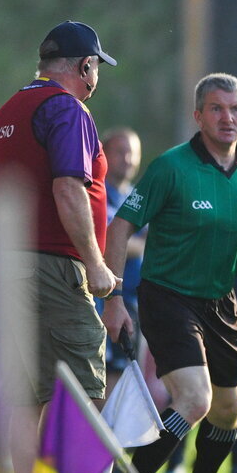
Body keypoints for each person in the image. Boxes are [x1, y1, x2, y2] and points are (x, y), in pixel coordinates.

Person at [100, 73, 237, 473]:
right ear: (198, 116)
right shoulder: (170, 167)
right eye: (216, 109)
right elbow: (119, 227)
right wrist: (114, 296)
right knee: (195, 399)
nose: (227, 118)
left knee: (230, 408)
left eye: (236, 109)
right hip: (167, 296)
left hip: (222, 301)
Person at [0, 20, 119, 473]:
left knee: (26, 398)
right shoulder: (67, 109)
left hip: (6, 265)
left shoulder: (5, 112)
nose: (95, 76)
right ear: (85, 66)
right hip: (55, 265)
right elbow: (69, 189)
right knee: (87, 386)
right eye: (95, 67)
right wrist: (96, 263)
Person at [99, 127, 145, 395]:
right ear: (104, 154)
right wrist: (143, 245)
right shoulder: (97, 192)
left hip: (134, 301)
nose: (128, 159)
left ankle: (115, 435)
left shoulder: (136, 195)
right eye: (121, 152)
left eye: (133, 153)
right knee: (104, 375)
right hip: (106, 299)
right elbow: (105, 244)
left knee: (126, 376)